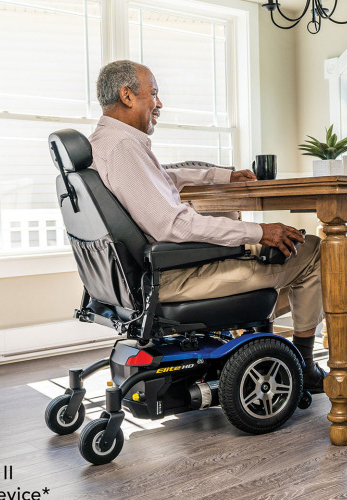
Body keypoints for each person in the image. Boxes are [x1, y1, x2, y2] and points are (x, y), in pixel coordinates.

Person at [88, 60, 326, 392]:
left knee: (273, 252)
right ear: (128, 96)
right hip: (172, 279)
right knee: (311, 249)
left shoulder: (104, 143)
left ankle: (260, 346)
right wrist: (258, 232)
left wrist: (219, 176)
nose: (158, 103)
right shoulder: (125, 147)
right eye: (153, 94)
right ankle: (303, 364)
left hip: (138, 277)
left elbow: (164, 180)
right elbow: (174, 226)